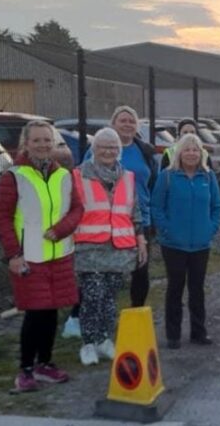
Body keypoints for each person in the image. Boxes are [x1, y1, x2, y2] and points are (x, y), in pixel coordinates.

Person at [0, 120, 84, 392]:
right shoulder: (14, 176)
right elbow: (3, 218)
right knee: (34, 313)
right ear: (26, 143)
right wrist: (13, 254)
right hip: (30, 257)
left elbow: (77, 209)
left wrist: (61, 229)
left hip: (60, 255)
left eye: (48, 140)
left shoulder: (64, 175)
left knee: (51, 313)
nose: (43, 145)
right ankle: (25, 370)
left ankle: (45, 363)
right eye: (37, 140)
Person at [72, 128, 148, 365]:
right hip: (89, 249)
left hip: (119, 249)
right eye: (103, 146)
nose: (108, 151)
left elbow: (134, 212)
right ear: (94, 149)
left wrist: (141, 238)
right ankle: (88, 343)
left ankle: (104, 339)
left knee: (110, 297)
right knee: (93, 295)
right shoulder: (77, 176)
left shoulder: (127, 177)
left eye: (113, 147)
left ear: (119, 150)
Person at [152, 133, 220, 349]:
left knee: (197, 288)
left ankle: (198, 332)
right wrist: (167, 229)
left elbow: (217, 206)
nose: (191, 153)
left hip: (201, 244)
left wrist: (210, 229)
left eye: (195, 149)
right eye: (187, 149)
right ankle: (173, 334)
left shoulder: (208, 177)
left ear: (200, 153)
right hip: (174, 244)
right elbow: (157, 206)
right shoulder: (167, 176)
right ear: (179, 153)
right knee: (175, 288)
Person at [83, 106, 157, 308]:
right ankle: (82, 316)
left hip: (141, 221)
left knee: (140, 269)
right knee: (101, 271)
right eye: (122, 120)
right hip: (106, 221)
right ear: (113, 124)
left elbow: (153, 183)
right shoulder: (97, 149)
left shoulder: (145, 151)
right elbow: (84, 180)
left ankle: (136, 316)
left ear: (137, 126)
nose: (127, 124)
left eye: (131, 121)